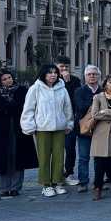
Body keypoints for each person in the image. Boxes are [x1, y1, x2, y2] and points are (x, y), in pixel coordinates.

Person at [20, 64, 73, 197]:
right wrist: (29, 125)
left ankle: (57, 182)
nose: (53, 75)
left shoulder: (62, 88)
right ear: (43, 74)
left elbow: (67, 108)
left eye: (55, 72)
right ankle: (46, 185)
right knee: (44, 157)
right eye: (50, 73)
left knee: (59, 156)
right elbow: (28, 108)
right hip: (42, 128)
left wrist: (69, 123)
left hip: (59, 127)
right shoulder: (35, 88)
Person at [0, 69, 36, 199]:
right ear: (0, 82)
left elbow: (22, 106)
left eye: (9, 77)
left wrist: (9, 107)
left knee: (18, 157)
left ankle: (15, 187)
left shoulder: (21, 90)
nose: (8, 80)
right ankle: (4, 188)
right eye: (4, 79)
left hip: (19, 128)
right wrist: (12, 106)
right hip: (1, 130)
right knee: (4, 158)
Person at [72, 65, 101, 193]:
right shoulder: (79, 91)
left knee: (99, 157)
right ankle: (83, 182)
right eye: (89, 74)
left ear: (98, 76)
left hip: (100, 129)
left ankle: (98, 182)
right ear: (85, 77)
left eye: (94, 74)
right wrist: (96, 102)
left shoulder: (103, 90)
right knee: (83, 157)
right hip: (84, 129)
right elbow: (81, 107)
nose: (92, 76)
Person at [55, 56, 81, 185]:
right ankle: (57, 174)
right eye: (61, 66)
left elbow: (74, 98)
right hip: (54, 120)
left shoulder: (75, 80)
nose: (64, 69)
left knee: (70, 147)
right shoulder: (51, 80)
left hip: (70, 120)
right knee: (56, 149)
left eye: (66, 67)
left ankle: (69, 172)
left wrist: (68, 82)